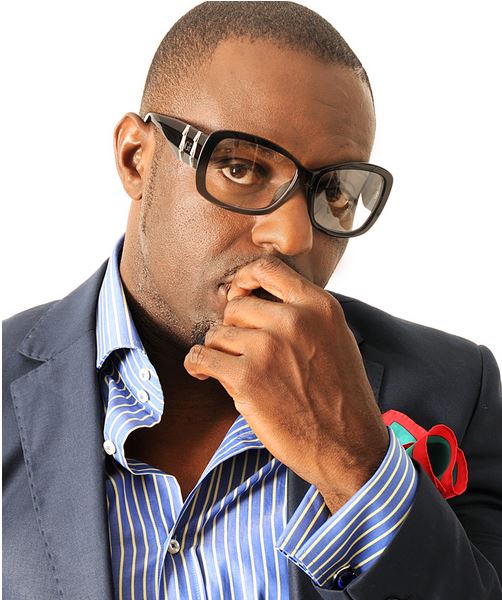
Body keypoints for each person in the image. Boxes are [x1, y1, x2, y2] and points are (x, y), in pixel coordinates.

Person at [3, 2, 501, 599]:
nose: (293, 237)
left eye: (334, 193)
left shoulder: (458, 390)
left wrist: (355, 465)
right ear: (137, 158)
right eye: (241, 168)